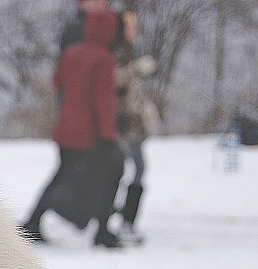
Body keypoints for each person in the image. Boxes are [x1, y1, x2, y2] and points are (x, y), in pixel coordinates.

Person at [22, 10, 123, 248]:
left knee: (61, 174)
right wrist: (108, 135)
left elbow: (57, 82)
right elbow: (102, 100)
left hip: (65, 127)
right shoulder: (104, 58)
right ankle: (102, 232)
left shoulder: (71, 52)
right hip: (90, 132)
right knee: (109, 176)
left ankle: (32, 222)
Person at [113, 10, 158, 244]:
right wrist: (133, 70)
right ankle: (123, 221)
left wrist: (146, 108)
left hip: (133, 124)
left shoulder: (129, 50)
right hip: (122, 125)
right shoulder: (117, 50)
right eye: (130, 24)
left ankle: (123, 218)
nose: (135, 28)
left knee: (134, 170)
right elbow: (113, 80)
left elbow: (133, 90)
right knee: (126, 169)